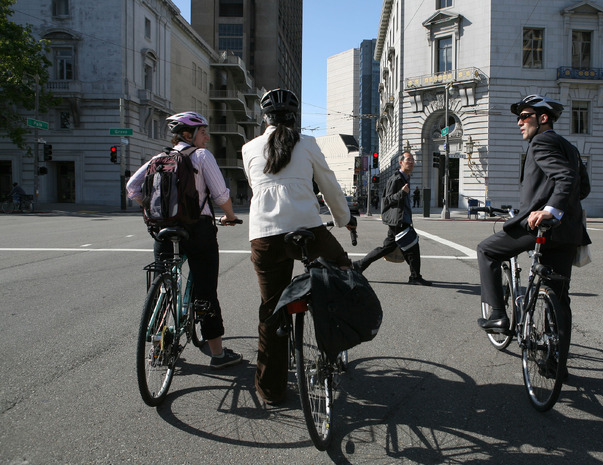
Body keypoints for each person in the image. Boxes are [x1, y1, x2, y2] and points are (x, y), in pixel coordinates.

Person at [242, 88, 358, 406]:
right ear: (295, 118)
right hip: (308, 229)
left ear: (264, 118)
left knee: (271, 311)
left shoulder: (248, 147)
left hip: (264, 235)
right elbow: (329, 183)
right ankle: (334, 337)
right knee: (342, 271)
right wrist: (344, 219)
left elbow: (256, 187)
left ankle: (271, 391)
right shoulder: (307, 143)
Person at [476, 95, 590, 369]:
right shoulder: (571, 148)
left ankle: (499, 315)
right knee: (559, 297)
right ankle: (556, 364)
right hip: (568, 233)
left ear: (543, 118)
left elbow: (565, 178)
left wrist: (549, 209)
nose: (519, 122)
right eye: (518, 117)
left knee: (486, 250)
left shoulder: (541, 141)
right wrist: (555, 206)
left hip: (542, 226)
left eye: (525, 116)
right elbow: (581, 188)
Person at [126, 111, 243, 370]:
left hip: (164, 231)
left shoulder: (158, 158)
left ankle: (158, 350)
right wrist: (231, 216)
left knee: (165, 289)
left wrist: (154, 210)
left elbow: (132, 189)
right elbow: (220, 194)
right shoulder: (201, 156)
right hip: (198, 231)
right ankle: (218, 354)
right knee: (206, 290)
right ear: (189, 135)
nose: (207, 137)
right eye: (203, 132)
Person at [353, 152, 432, 286]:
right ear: (401, 162)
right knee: (412, 247)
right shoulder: (396, 179)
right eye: (408, 159)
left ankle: (359, 265)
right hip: (398, 221)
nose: (411, 162)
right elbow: (386, 200)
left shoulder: (405, 178)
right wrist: (402, 193)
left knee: (388, 248)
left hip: (401, 219)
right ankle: (415, 276)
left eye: (412, 159)